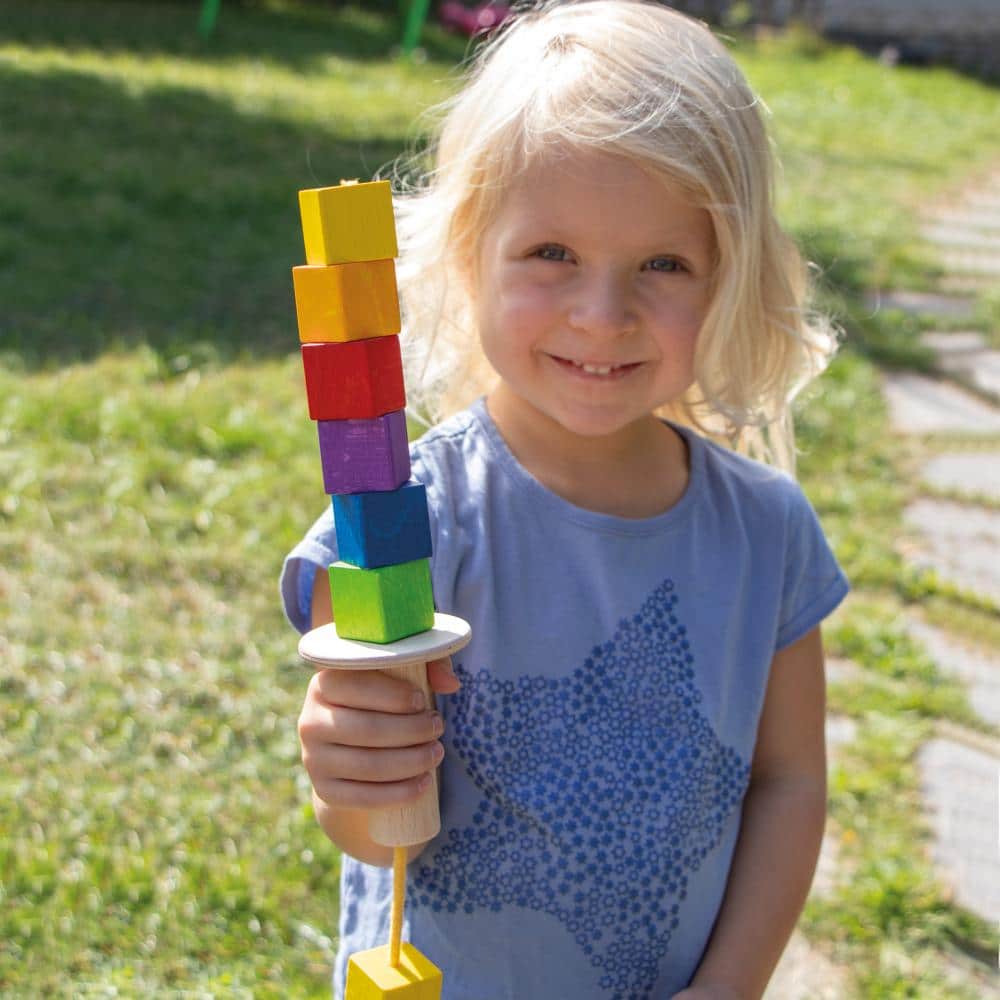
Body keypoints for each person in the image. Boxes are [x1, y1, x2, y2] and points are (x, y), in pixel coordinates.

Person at [282, 2, 849, 997]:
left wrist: (729, 985)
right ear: (471, 251)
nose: (602, 314)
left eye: (663, 264)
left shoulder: (767, 534)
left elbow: (788, 782)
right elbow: (377, 834)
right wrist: (348, 770)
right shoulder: (410, 526)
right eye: (552, 254)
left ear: (729, 276)